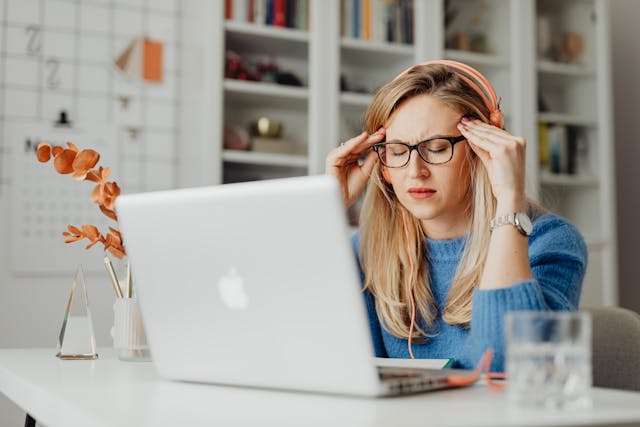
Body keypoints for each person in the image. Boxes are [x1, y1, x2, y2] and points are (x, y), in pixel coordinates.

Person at [325, 60, 587, 372]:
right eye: (396, 152)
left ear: (482, 150)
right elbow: (327, 358)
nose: (415, 171)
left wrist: (508, 200)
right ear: (382, 166)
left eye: (436, 148)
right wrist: (327, 210)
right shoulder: (367, 249)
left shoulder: (550, 242)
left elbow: (506, 367)